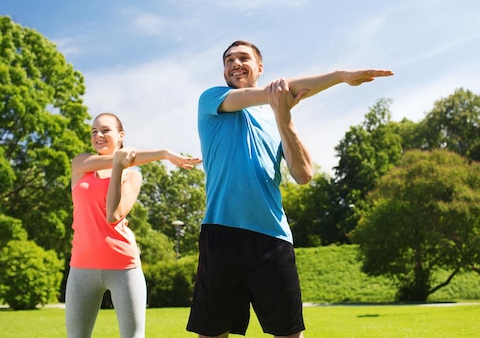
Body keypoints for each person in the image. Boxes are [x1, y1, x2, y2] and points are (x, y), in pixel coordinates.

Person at [186, 41, 393, 338]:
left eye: (244, 58)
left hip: (272, 239)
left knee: (289, 334)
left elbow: (304, 174)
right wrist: (340, 76)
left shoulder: (274, 119)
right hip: (221, 234)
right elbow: (275, 92)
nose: (235, 63)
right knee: (212, 333)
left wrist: (284, 118)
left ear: (260, 67)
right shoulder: (213, 100)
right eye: (229, 59)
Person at [66, 112, 201, 338]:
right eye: (94, 131)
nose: (98, 135)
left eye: (105, 130)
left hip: (123, 266)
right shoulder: (81, 164)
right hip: (82, 266)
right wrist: (164, 154)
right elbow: (117, 159)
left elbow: (113, 215)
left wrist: (119, 167)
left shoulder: (132, 177)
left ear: (120, 135)